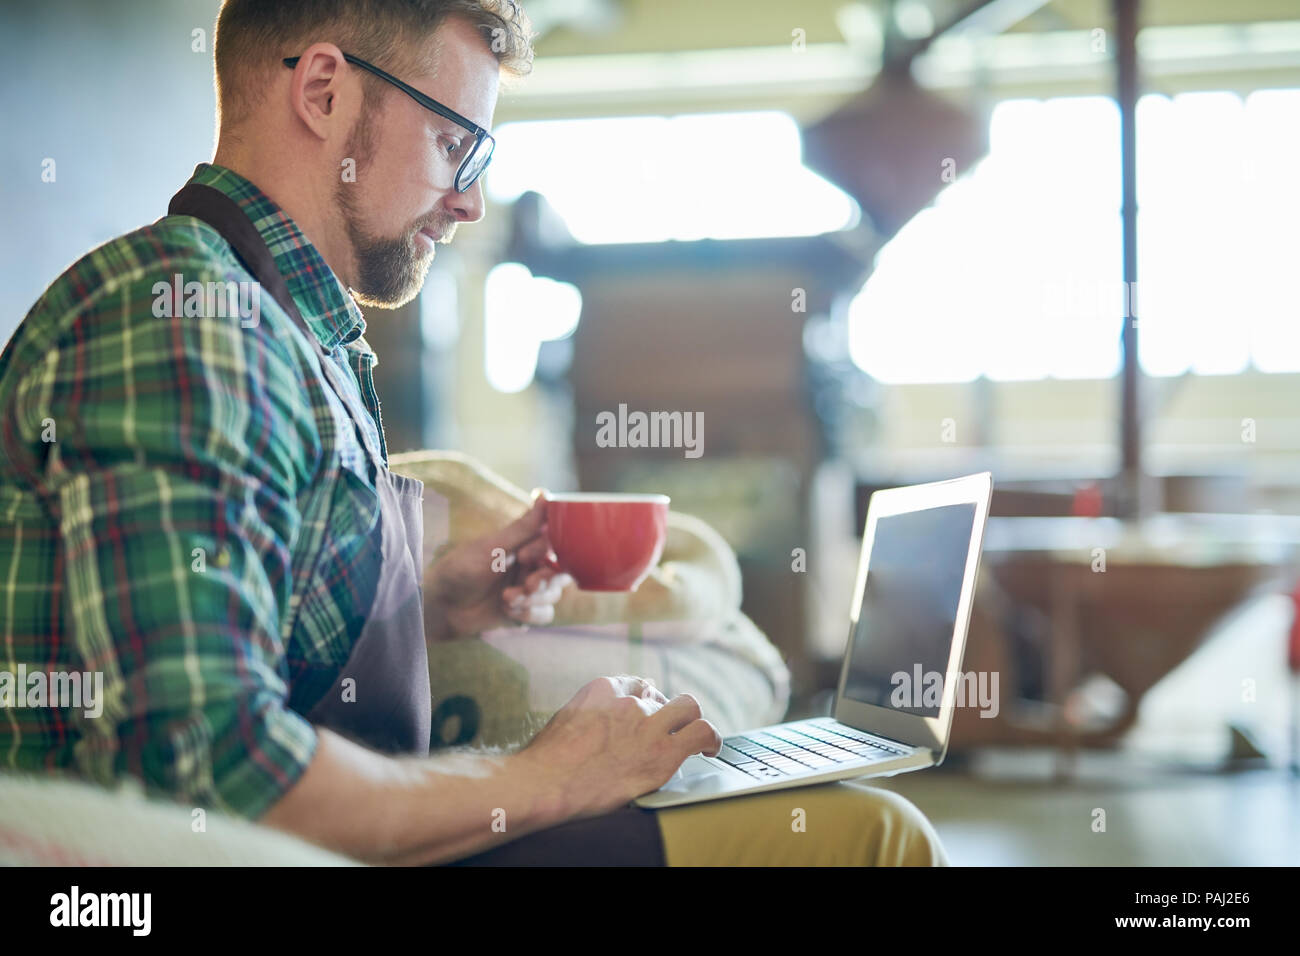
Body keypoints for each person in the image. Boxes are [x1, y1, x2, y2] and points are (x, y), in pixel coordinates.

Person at [0, 0, 948, 867]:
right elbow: (208, 780)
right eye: (456, 143)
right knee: (872, 837)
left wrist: (425, 607)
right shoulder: (188, 327)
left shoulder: (285, 325)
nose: (469, 201)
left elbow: (238, 630)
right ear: (323, 91)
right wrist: (551, 776)